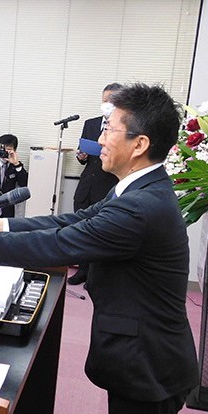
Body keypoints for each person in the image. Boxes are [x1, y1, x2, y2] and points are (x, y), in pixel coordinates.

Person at [0, 83, 199, 414]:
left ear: (139, 144)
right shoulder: (136, 189)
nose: (100, 140)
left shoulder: (141, 206)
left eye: (109, 130)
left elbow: (60, 244)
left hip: (149, 363)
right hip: (143, 352)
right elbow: (71, 220)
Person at [69, 83, 122, 285]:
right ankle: (82, 270)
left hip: (107, 183)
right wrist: (81, 155)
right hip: (86, 183)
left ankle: (95, 274)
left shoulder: (123, 127)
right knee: (80, 226)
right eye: (104, 100)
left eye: (111, 101)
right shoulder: (91, 124)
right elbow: (83, 156)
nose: (106, 104)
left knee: (100, 230)